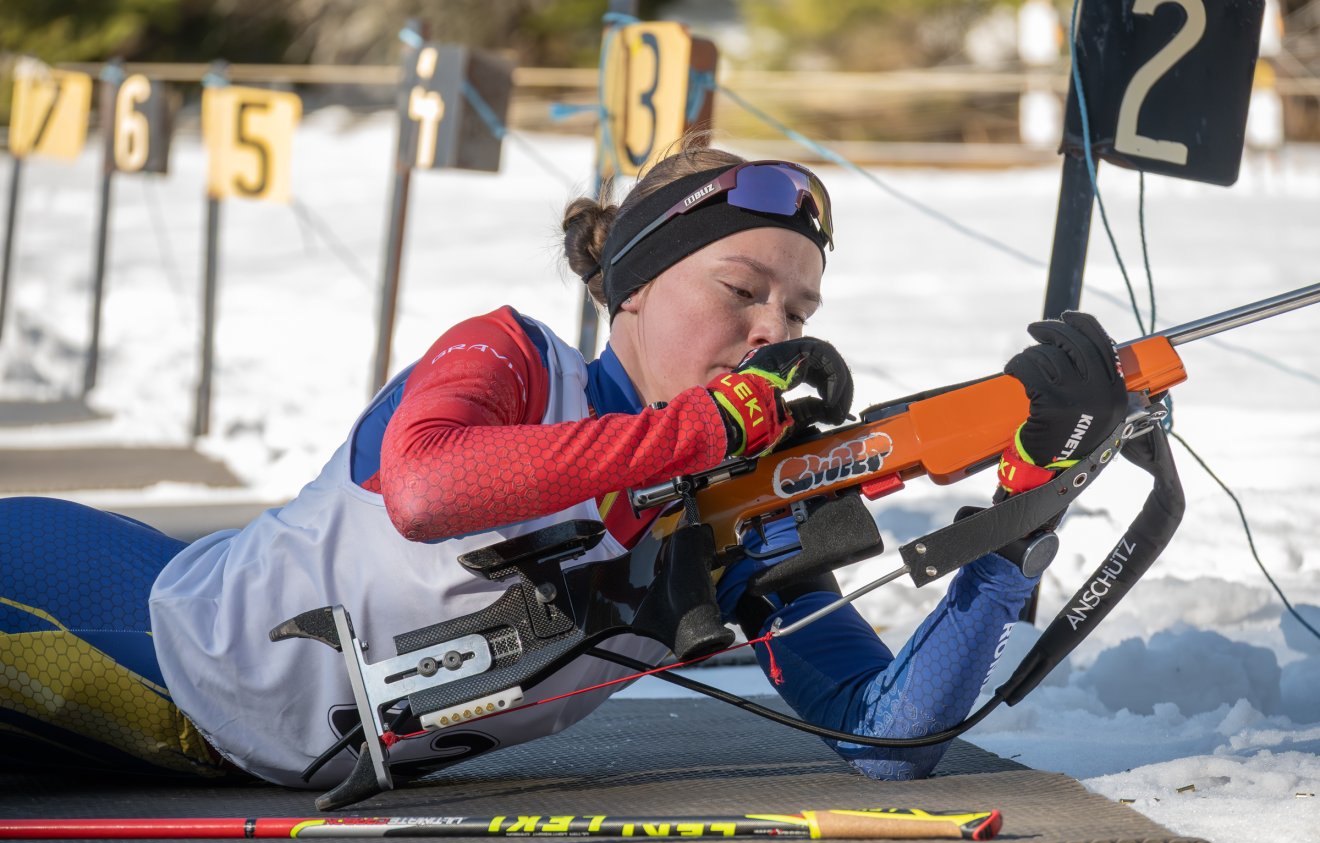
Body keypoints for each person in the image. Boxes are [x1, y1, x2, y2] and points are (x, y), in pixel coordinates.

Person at [0, 144, 1128, 788]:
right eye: (741, 292)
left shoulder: (740, 516)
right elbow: (432, 488)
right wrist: (705, 431)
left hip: (235, 751)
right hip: (120, 625)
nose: (770, 331)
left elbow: (886, 736)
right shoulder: (511, 357)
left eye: (797, 312)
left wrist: (1018, 527)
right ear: (634, 285)